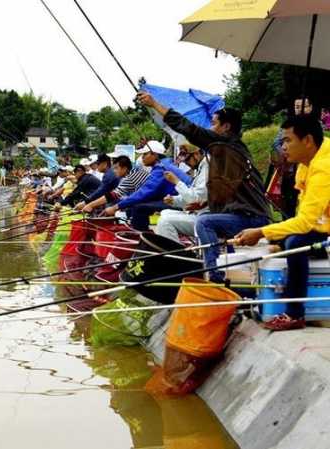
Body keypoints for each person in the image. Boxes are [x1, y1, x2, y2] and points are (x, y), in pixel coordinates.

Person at [136, 92, 270, 280]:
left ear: (226, 127)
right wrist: (201, 204)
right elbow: (224, 191)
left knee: (204, 221)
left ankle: (212, 274)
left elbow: (188, 128)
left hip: (253, 219)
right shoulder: (230, 150)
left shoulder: (224, 146)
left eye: (214, 123)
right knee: (204, 217)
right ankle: (207, 267)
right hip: (244, 214)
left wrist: (154, 104)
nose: (209, 128)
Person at [235, 115, 330, 331]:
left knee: (295, 242)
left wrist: (260, 232)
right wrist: (272, 234)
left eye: (288, 140)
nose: (283, 146)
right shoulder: (309, 159)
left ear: (307, 140)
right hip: (322, 224)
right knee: (283, 237)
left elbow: (306, 223)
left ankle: (294, 314)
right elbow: (304, 212)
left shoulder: (324, 167)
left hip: (323, 227)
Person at [103, 140, 192, 231]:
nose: (142, 158)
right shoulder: (163, 165)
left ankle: (143, 239)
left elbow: (144, 193)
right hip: (178, 199)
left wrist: (116, 207)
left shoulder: (161, 168)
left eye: (145, 154)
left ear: (154, 155)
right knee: (133, 206)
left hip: (183, 203)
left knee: (139, 208)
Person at [155, 143, 209, 242]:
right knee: (165, 213)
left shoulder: (207, 169)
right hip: (199, 213)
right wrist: (174, 200)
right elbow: (193, 196)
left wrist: (176, 181)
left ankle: (175, 255)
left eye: (187, 159)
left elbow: (195, 199)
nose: (186, 163)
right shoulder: (200, 168)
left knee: (165, 222)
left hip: (206, 217)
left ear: (196, 154)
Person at [82, 155, 149, 214]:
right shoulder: (135, 170)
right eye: (114, 168)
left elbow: (113, 195)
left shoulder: (130, 177)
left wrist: (90, 205)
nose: (114, 171)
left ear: (124, 168)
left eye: (116, 168)